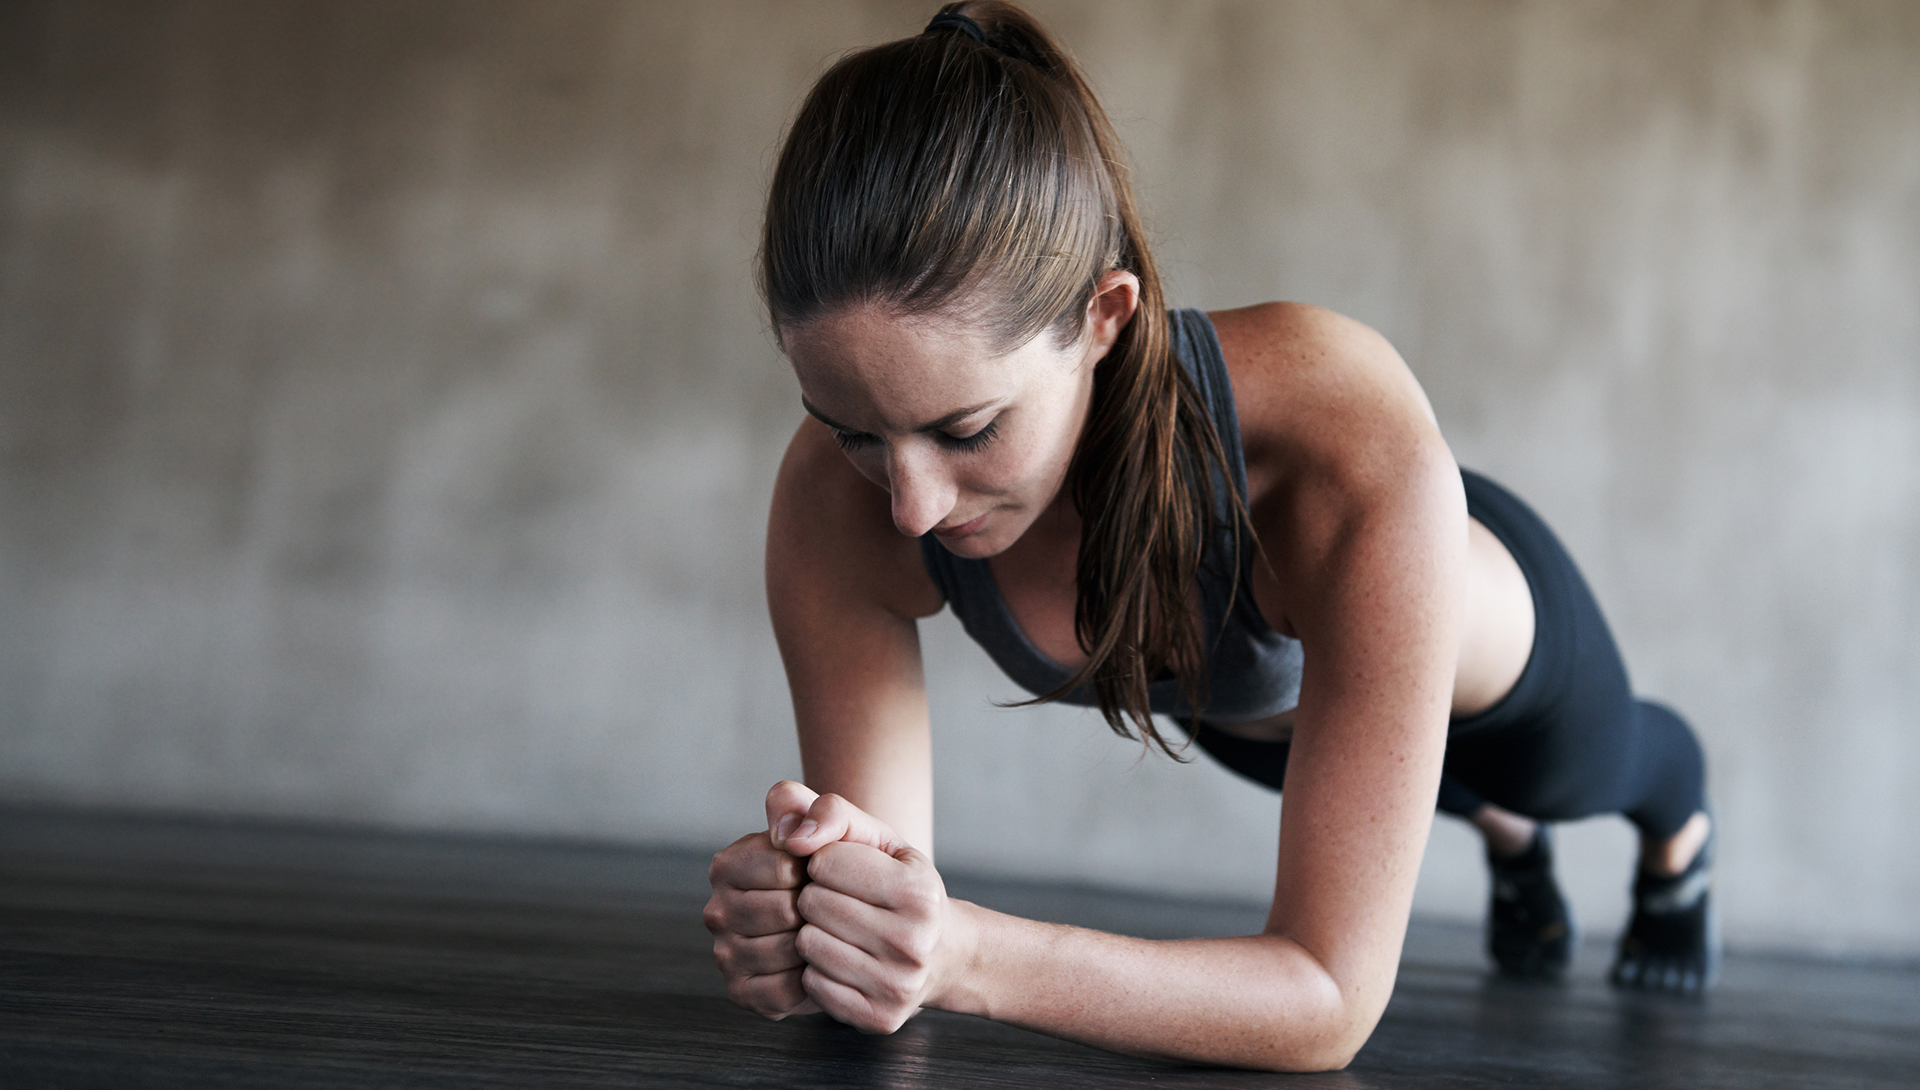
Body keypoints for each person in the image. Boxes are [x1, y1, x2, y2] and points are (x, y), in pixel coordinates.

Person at [703, 1, 1716, 1071]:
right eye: (854, 431)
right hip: (1248, 701)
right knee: (1341, 764)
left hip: (1476, 624)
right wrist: (815, 925)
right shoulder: (834, 502)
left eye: (968, 430)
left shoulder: (1336, 433)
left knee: (1581, 773)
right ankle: (1507, 841)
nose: (910, 506)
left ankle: (1676, 834)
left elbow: (1328, 1001)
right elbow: (885, 899)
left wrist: (961, 956)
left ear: (1106, 316)